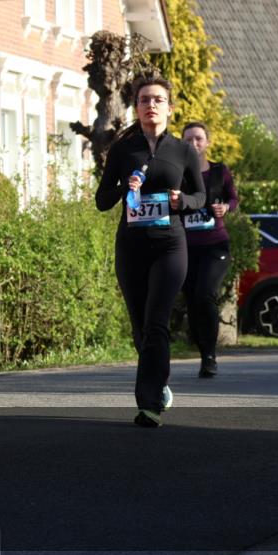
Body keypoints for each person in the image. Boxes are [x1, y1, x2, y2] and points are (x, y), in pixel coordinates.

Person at [95, 73, 205, 428]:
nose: (151, 106)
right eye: (144, 100)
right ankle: (159, 380)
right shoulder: (123, 150)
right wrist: (123, 188)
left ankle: (148, 405)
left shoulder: (184, 151)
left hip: (170, 245)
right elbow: (101, 200)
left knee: (157, 321)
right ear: (137, 108)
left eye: (158, 100)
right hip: (132, 246)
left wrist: (181, 200)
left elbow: (201, 196)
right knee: (141, 327)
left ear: (169, 108)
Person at [181, 122, 238, 378]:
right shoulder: (176, 173)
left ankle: (210, 355)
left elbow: (233, 198)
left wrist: (225, 208)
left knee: (205, 294)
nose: (194, 144)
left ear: (207, 143)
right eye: (189, 139)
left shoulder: (219, 171)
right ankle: (203, 349)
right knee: (193, 300)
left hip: (215, 244)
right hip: (184, 247)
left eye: (199, 139)